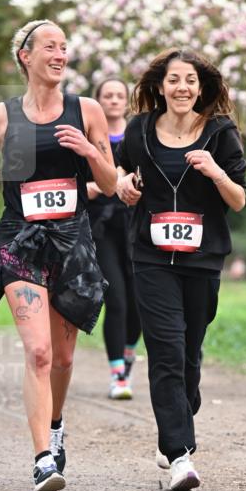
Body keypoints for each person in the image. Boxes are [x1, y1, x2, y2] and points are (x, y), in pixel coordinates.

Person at [0, 20, 117, 491]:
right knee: (39, 352)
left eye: (64, 47)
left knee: (64, 358)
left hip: (72, 242)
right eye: (50, 47)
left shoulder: (86, 110)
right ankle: (42, 460)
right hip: (20, 241)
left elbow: (110, 183)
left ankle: (55, 425)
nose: (60, 55)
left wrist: (89, 151)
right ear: (25, 56)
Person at [116, 48, 246, 491]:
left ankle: (180, 413)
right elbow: (122, 169)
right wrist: (124, 183)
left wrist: (215, 173)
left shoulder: (220, 133)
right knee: (166, 351)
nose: (182, 88)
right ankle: (178, 456)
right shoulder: (139, 130)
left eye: (190, 80)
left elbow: (238, 199)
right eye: (173, 79)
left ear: (201, 86)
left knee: (189, 353)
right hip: (151, 256)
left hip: (202, 258)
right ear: (160, 86)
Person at [89, 77, 141, 399]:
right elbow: (74, 183)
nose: (113, 100)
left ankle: (129, 352)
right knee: (117, 299)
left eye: (119, 95)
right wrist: (95, 188)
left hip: (136, 227)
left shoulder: (138, 134)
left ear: (127, 101)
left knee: (138, 303)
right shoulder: (87, 136)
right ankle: (118, 375)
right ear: (97, 100)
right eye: (107, 95)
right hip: (101, 228)